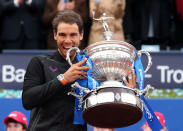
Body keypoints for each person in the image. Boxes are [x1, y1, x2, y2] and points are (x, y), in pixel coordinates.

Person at [22, 10, 137, 131]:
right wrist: (63, 79)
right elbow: (28, 100)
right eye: (62, 35)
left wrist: (126, 91)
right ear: (55, 35)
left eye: (73, 35)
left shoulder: (92, 66)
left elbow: (106, 107)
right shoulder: (40, 62)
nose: (67, 40)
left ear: (81, 35)